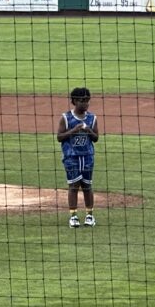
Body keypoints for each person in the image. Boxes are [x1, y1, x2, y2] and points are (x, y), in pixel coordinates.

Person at [57, 87, 100, 228]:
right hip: (72, 158)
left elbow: (96, 138)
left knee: (87, 186)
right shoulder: (66, 118)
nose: (86, 104)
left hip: (87, 157)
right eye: (82, 101)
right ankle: (73, 216)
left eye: (88, 101)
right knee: (73, 186)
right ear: (74, 101)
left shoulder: (92, 118)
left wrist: (88, 130)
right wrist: (73, 131)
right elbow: (59, 137)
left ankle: (89, 215)